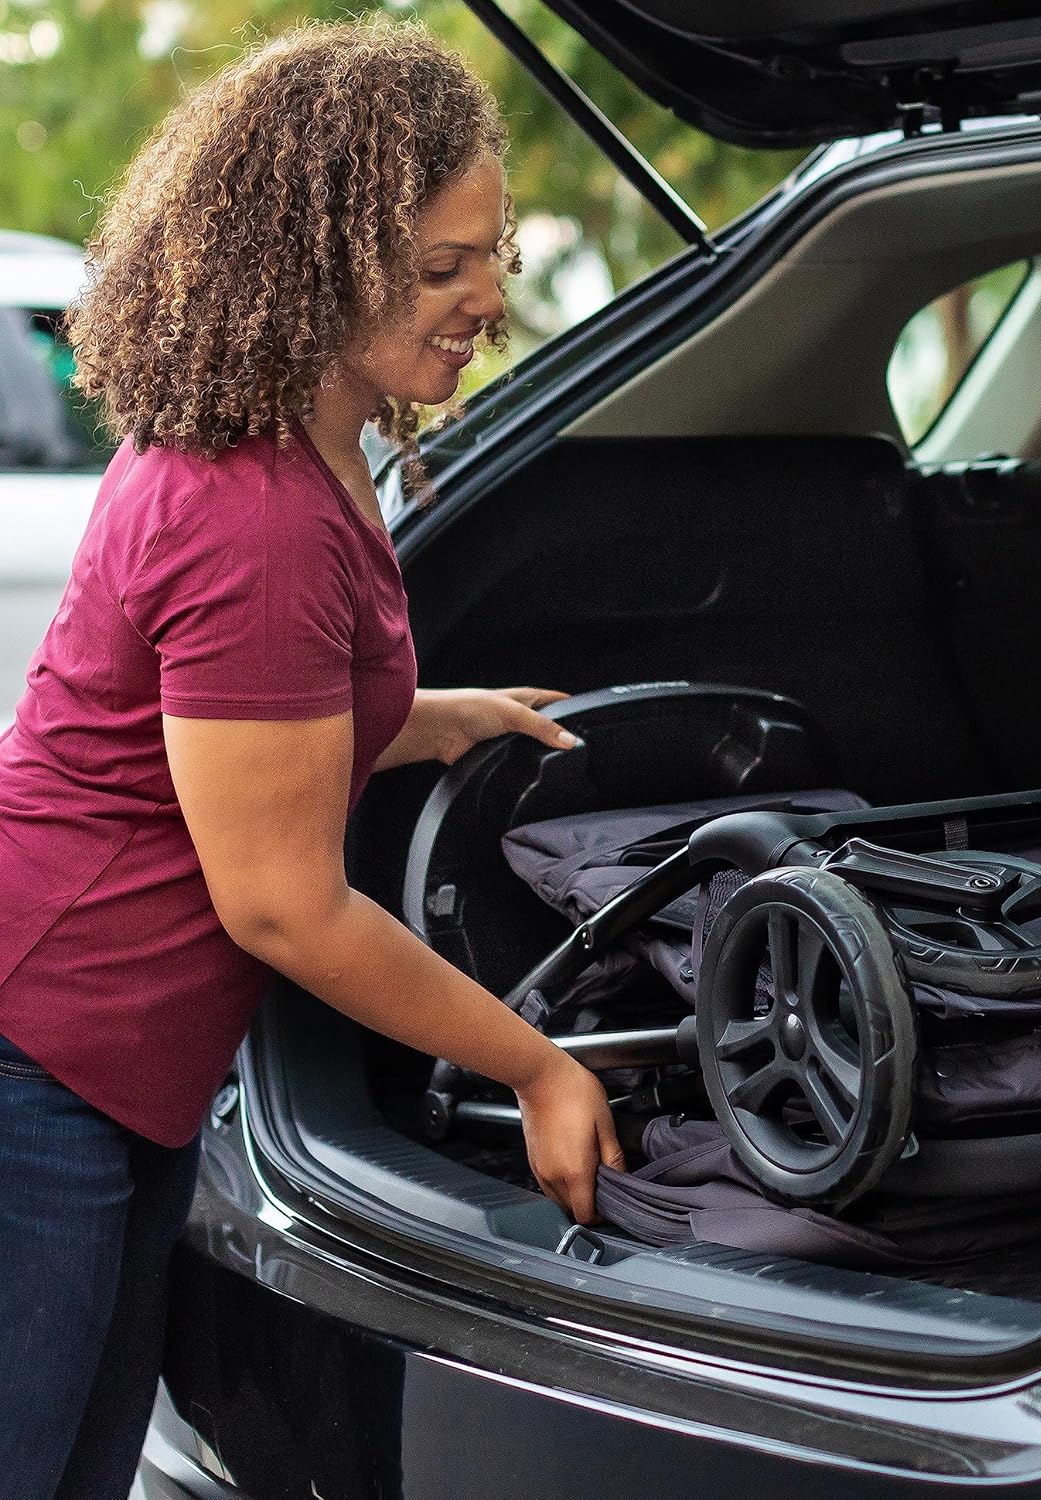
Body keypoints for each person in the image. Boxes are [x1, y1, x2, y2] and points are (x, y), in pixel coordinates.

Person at [0, 20, 623, 1499]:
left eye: (493, 253)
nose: (486, 296)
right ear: (311, 257)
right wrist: (536, 1069)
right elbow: (280, 901)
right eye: (437, 268)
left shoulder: (293, 436)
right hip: (41, 1054)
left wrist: (435, 713)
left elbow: (232, 726)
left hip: (110, 1064)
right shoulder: (255, 509)